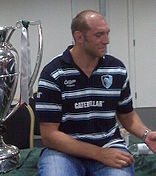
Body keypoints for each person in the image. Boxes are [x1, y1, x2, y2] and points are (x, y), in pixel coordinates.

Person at [35, 10, 156, 176]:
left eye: (107, 33)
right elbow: (49, 136)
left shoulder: (116, 69)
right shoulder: (54, 73)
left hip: (108, 145)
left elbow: (127, 116)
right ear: (79, 37)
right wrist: (99, 154)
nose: (106, 40)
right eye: (99, 35)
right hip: (64, 152)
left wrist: (146, 134)